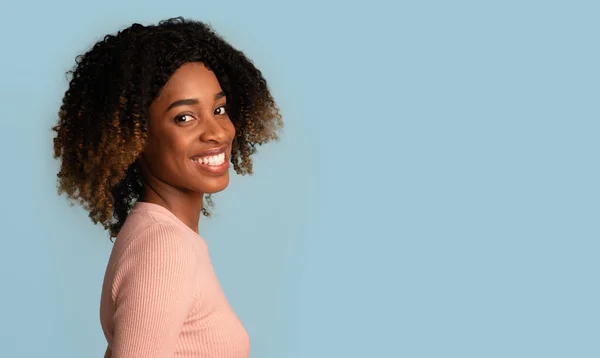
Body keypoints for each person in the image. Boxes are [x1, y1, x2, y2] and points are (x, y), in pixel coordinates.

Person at [52, 17, 282, 358]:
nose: (217, 132)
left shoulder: (157, 234)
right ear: (135, 138)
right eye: (184, 117)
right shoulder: (164, 248)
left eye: (218, 109)